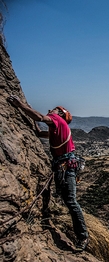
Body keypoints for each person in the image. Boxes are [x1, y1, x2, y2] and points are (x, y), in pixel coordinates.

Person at [7, 95, 89, 252]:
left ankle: (83, 236)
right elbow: (40, 133)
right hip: (64, 167)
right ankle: (81, 235)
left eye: (55, 109)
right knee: (68, 200)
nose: (51, 110)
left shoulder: (57, 120)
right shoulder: (58, 128)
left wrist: (20, 105)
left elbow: (40, 117)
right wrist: (31, 119)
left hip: (65, 166)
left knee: (71, 201)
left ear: (59, 113)